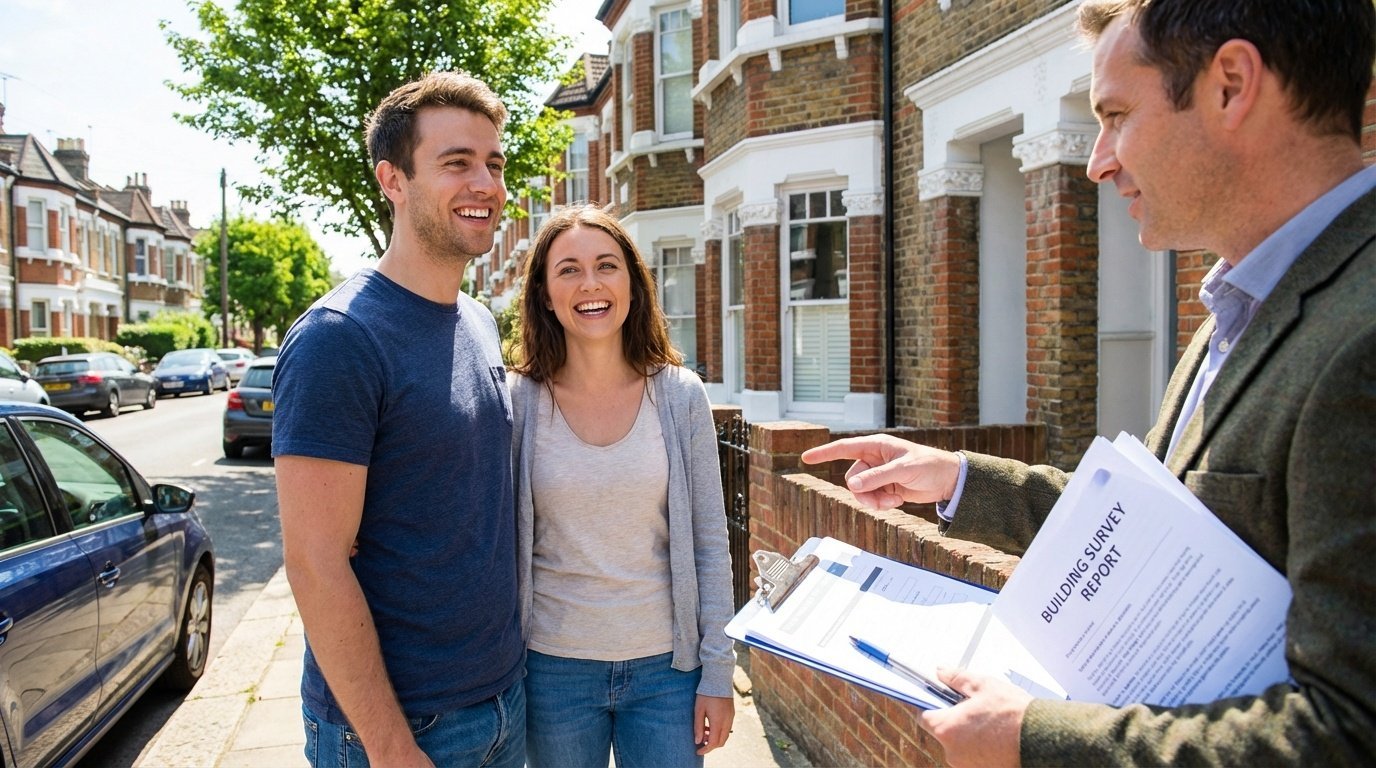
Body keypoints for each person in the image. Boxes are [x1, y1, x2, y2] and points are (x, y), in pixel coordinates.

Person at [802, 1, 1376, 765]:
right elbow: (1146, 534)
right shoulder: (1239, 305)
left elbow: (1350, 732)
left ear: (1232, 85)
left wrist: (1034, 740)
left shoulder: (1360, 334)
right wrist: (958, 478)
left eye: (1116, 116)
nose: (1098, 161)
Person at [273, 72, 524, 767]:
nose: (486, 184)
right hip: (398, 728)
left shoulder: (478, 321)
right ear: (393, 181)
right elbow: (315, 565)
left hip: (503, 701)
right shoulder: (339, 337)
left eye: (494, 163)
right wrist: (390, 747)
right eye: (457, 163)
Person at [508, 203, 736, 767]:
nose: (591, 283)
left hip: (668, 673)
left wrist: (718, 670)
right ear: (545, 295)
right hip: (552, 671)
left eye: (606, 265)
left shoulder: (679, 395)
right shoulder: (519, 401)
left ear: (632, 283)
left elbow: (710, 542)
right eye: (569, 270)